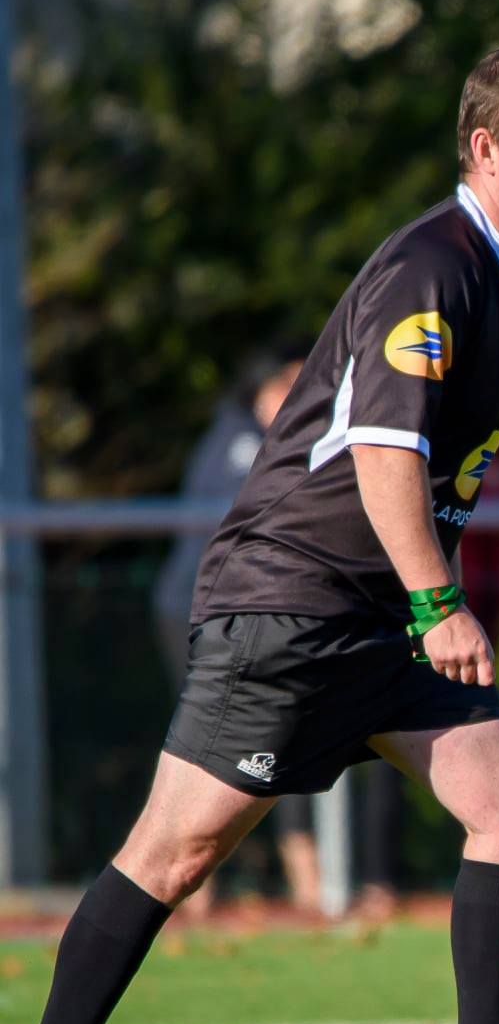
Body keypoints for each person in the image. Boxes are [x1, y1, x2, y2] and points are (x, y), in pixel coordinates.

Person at [0, 45, 499, 1024]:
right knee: (175, 853)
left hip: (370, 619)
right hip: (292, 604)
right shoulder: (433, 264)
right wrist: (440, 599)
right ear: (485, 150)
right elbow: (386, 451)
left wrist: (415, 604)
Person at [151, 345, 322, 918]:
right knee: (209, 746)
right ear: (264, 392)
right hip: (207, 613)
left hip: (241, 612)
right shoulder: (243, 444)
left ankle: (308, 887)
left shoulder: (259, 439)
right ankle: (185, 889)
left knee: (271, 743)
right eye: (291, 386)